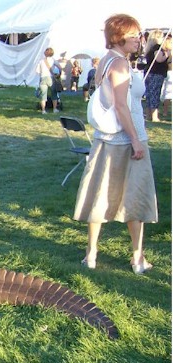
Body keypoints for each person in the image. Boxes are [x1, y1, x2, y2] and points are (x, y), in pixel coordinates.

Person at [74, 13, 158, 274]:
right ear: (119, 37)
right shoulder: (119, 64)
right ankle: (136, 258)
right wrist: (136, 140)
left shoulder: (106, 61)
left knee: (100, 195)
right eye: (134, 35)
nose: (139, 40)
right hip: (124, 141)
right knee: (136, 197)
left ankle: (91, 254)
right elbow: (121, 106)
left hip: (105, 140)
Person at [143, 30, 169, 122]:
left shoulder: (149, 48)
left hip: (149, 73)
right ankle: (154, 116)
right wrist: (167, 54)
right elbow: (159, 59)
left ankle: (149, 115)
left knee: (149, 94)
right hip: (156, 74)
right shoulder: (157, 48)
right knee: (154, 94)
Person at [35, 47, 60, 114]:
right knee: (54, 94)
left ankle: (43, 110)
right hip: (51, 78)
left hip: (43, 78)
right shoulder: (54, 60)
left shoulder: (41, 61)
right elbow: (60, 68)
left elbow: (37, 71)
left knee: (43, 95)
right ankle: (55, 109)